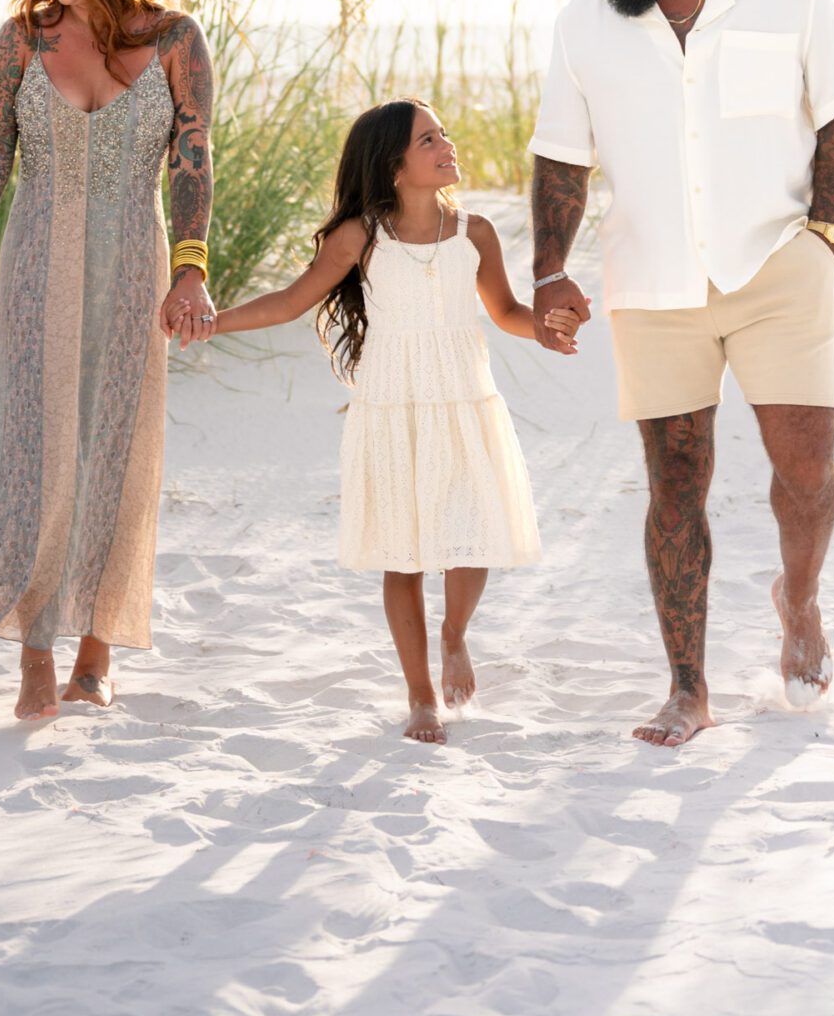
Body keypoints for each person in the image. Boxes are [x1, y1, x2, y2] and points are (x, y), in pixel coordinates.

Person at [529, 0, 834, 748]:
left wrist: (825, 236)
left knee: (805, 472)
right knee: (673, 485)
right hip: (652, 286)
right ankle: (688, 688)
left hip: (777, 270)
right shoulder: (582, 26)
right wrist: (548, 269)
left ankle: (798, 601)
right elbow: (561, 157)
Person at [0, 0, 216, 720]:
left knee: (117, 446)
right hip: (34, 262)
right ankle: (33, 649)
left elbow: (192, 158)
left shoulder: (175, 39)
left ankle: (96, 649)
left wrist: (191, 268)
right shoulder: (23, 39)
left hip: (134, 260)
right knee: (32, 447)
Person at [213, 100, 575, 744]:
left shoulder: (475, 232)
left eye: (444, 133)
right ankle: (420, 696)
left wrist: (546, 331)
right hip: (392, 409)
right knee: (402, 557)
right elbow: (292, 301)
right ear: (394, 166)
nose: (446, 144)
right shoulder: (360, 236)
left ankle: (454, 634)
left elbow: (507, 310)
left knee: (475, 535)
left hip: (464, 400)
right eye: (427, 139)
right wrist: (211, 322)